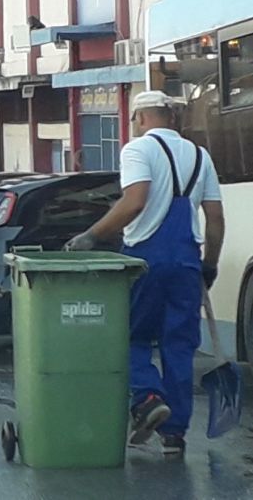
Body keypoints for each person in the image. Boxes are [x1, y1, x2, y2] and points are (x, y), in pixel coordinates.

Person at [66, 90, 225, 457]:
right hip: (187, 261)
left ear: (140, 118)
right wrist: (210, 265)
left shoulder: (137, 150)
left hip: (146, 261)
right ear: (170, 117)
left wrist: (93, 235)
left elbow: (135, 201)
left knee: (130, 337)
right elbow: (215, 218)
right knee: (180, 346)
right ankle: (174, 434)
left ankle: (149, 397)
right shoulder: (201, 156)